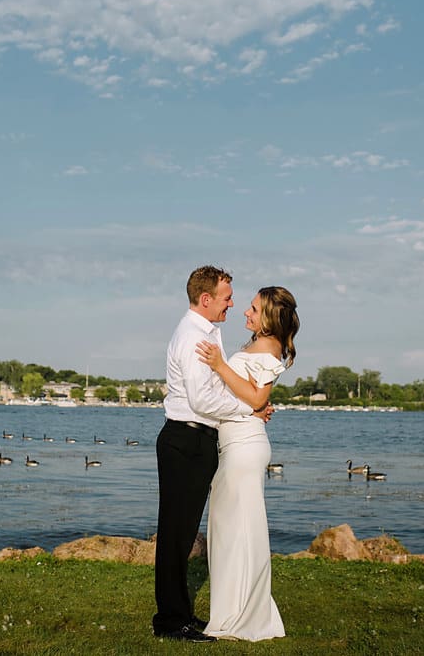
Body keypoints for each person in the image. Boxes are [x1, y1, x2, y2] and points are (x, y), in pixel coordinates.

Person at [152, 265, 261, 643]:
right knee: (175, 535)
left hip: (195, 441)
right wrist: (249, 409)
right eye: (227, 297)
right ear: (206, 298)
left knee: (182, 534)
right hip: (185, 439)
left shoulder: (208, 332)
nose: (231, 304)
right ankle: (169, 621)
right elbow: (202, 399)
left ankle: (179, 614)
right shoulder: (192, 337)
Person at [196, 285, 299, 641]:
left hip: (243, 449)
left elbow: (257, 394)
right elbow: (251, 397)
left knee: (239, 534)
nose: (245, 312)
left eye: (253, 309)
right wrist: (254, 407)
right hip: (237, 443)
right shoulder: (260, 345)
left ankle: (244, 616)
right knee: (229, 534)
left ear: (269, 316)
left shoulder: (270, 350)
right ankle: (232, 611)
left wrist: (221, 366)